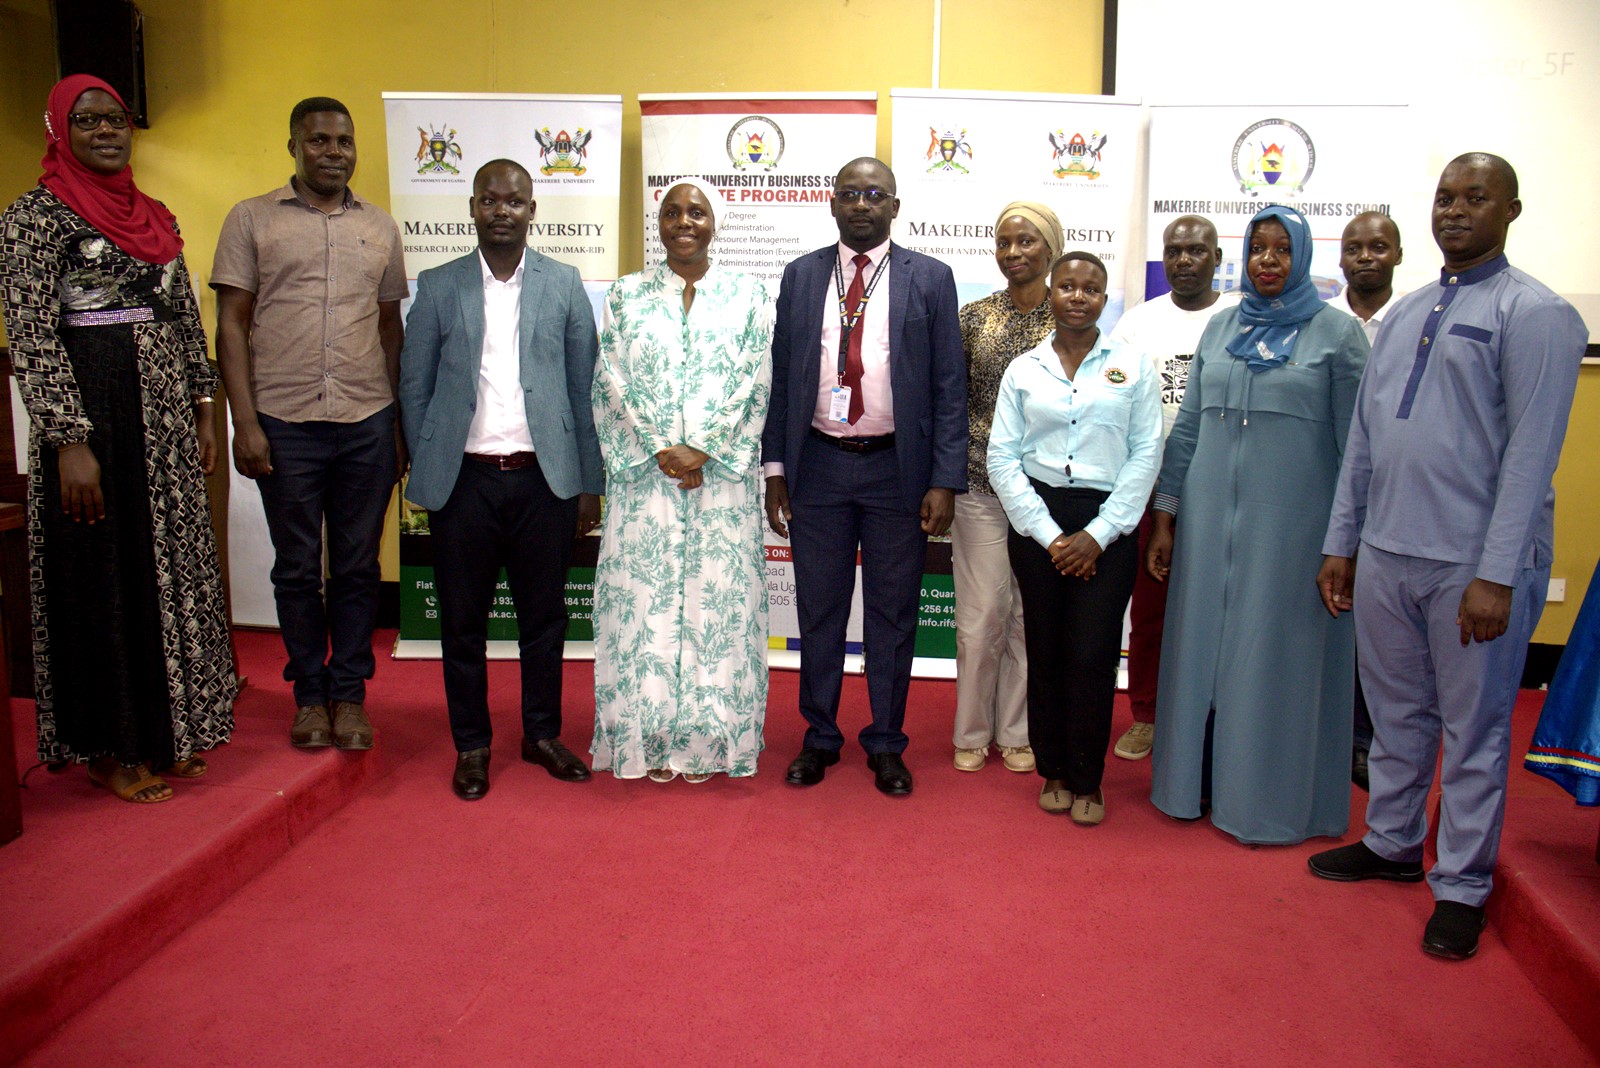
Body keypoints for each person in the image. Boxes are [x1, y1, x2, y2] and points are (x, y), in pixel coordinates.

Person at [1310, 153, 1587, 960]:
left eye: (1476, 198)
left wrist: (1496, 574)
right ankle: (1393, 842)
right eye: (1445, 197)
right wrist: (1342, 542)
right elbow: (1364, 440)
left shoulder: (1537, 315)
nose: (1456, 211)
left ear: (1512, 209)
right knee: (1397, 716)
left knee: (1473, 730)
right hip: (1389, 553)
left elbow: (1532, 458)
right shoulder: (1406, 313)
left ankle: (1461, 883)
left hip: (1472, 569)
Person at [0, 75, 235, 802]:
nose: (106, 131)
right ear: (58, 129)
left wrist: (203, 404)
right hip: (94, 418)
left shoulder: (154, 215)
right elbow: (33, 335)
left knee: (165, 571)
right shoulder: (32, 218)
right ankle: (111, 746)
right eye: (88, 120)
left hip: (163, 421)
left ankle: (165, 735)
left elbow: (184, 317)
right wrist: (69, 437)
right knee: (103, 573)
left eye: (116, 119)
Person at [1146, 205, 1369, 844]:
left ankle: (1270, 804)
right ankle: (1190, 786)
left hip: (1295, 535)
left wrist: (1344, 542)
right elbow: (1187, 428)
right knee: (1199, 657)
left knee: (1277, 662)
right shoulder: (1219, 328)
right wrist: (1166, 516)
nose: (1268, 261)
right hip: (1210, 524)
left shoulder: (1337, 335)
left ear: (1303, 258)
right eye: (1259, 248)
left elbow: (1359, 447)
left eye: (1282, 249)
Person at [398, 159, 602, 800]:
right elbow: (415, 384)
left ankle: (541, 734)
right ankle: (472, 744)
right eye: (489, 200)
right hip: (465, 482)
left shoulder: (565, 284)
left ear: (532, 209)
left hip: (544, 481)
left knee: (545, 619)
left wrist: (588, 481)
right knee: (463, 622)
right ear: (473, 209)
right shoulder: (437, 285)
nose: (502, 211)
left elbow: (583, 387)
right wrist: (428, 460)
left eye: (515, 201)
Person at [762, 157, 966, 797]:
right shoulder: (799, 277)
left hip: (896, 470)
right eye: (848, 193)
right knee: (818, 609)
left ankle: (885, 742)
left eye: (874, 194)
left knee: (892, 612)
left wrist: (943, 480)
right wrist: (775, 469)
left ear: (895, 206)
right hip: (818, 465)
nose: (861, 204)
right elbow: (781, 380)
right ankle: (820, 737)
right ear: (831, 204)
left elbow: (948, 388)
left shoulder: (930, 279)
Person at [213, 97, 408, 753]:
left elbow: (390, 329)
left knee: (355, 567)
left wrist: (400, 425)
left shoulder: (381, 227)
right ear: (293, 144)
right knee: (297, 568)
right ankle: (309, 696)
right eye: (319, 140)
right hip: (284, 421)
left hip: (365, 419)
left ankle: (348, 696)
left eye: (344, 141)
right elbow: (231, 325)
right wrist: (245, 421)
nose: (334, 151)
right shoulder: (252, 220)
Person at [590, 177, 772, 782]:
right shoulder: (626, 295)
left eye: (697, 212)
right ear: (659, 224)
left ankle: (709, 742)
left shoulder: (749, 296)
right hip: (646, 484)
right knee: (644, 611)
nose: (685, 221)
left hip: (722, 483)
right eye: (673, 212)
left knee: (716, 613)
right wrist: (662, 451)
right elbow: (610, 380)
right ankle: (644, 735)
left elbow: (756, 379)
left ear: (713, 224)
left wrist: (705, 449)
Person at [988, 252, 1161, 824]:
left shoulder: (1133, 366)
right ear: (1052, 293)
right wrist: (1048, 535)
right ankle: (1055, 770)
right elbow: (1002, 458)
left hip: (1107, 524)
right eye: (1068, 286)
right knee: (1046, 650)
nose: (1078, 296)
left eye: (1091, 288)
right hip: (1039, 521)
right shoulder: (1024, 369)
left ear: (1106, 297)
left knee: (1091, 654)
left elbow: (1145, 455)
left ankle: (1089, 779)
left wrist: (1098, 534)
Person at [1107, 214, 1239, 762]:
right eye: (1175, 251)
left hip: (1225, 486)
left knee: (1226, 609)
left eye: (1196, 250)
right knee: (1152, 610)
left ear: (1216, 258)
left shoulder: (1238, 317)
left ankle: (1223, 717)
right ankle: (1148, 714)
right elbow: (1111, 397)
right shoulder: (1138, 323)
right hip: (1149, 484)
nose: (1184, 260)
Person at [950, 201, 1063, 775]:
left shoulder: (1069, 318)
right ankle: (970, 731)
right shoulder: (973, 318)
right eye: (1004, 242)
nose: (1013, 253)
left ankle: (1017, 732)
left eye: (1026, 242)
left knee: (1028, 619)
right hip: (979, 488)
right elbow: (950, 405)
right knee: (981, 615)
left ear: (1051, 250)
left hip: (1048, 495)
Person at [1335, 210, 1405, 790]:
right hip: (1323, 488)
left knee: (1372, 625)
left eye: (1378, 247)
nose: (1365, 257)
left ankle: (1362, 741)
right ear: (1339, 259)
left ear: (1398, 256)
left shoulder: (1411, 322)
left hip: (1390, 491)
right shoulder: (1322, 323)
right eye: (1354, 247)